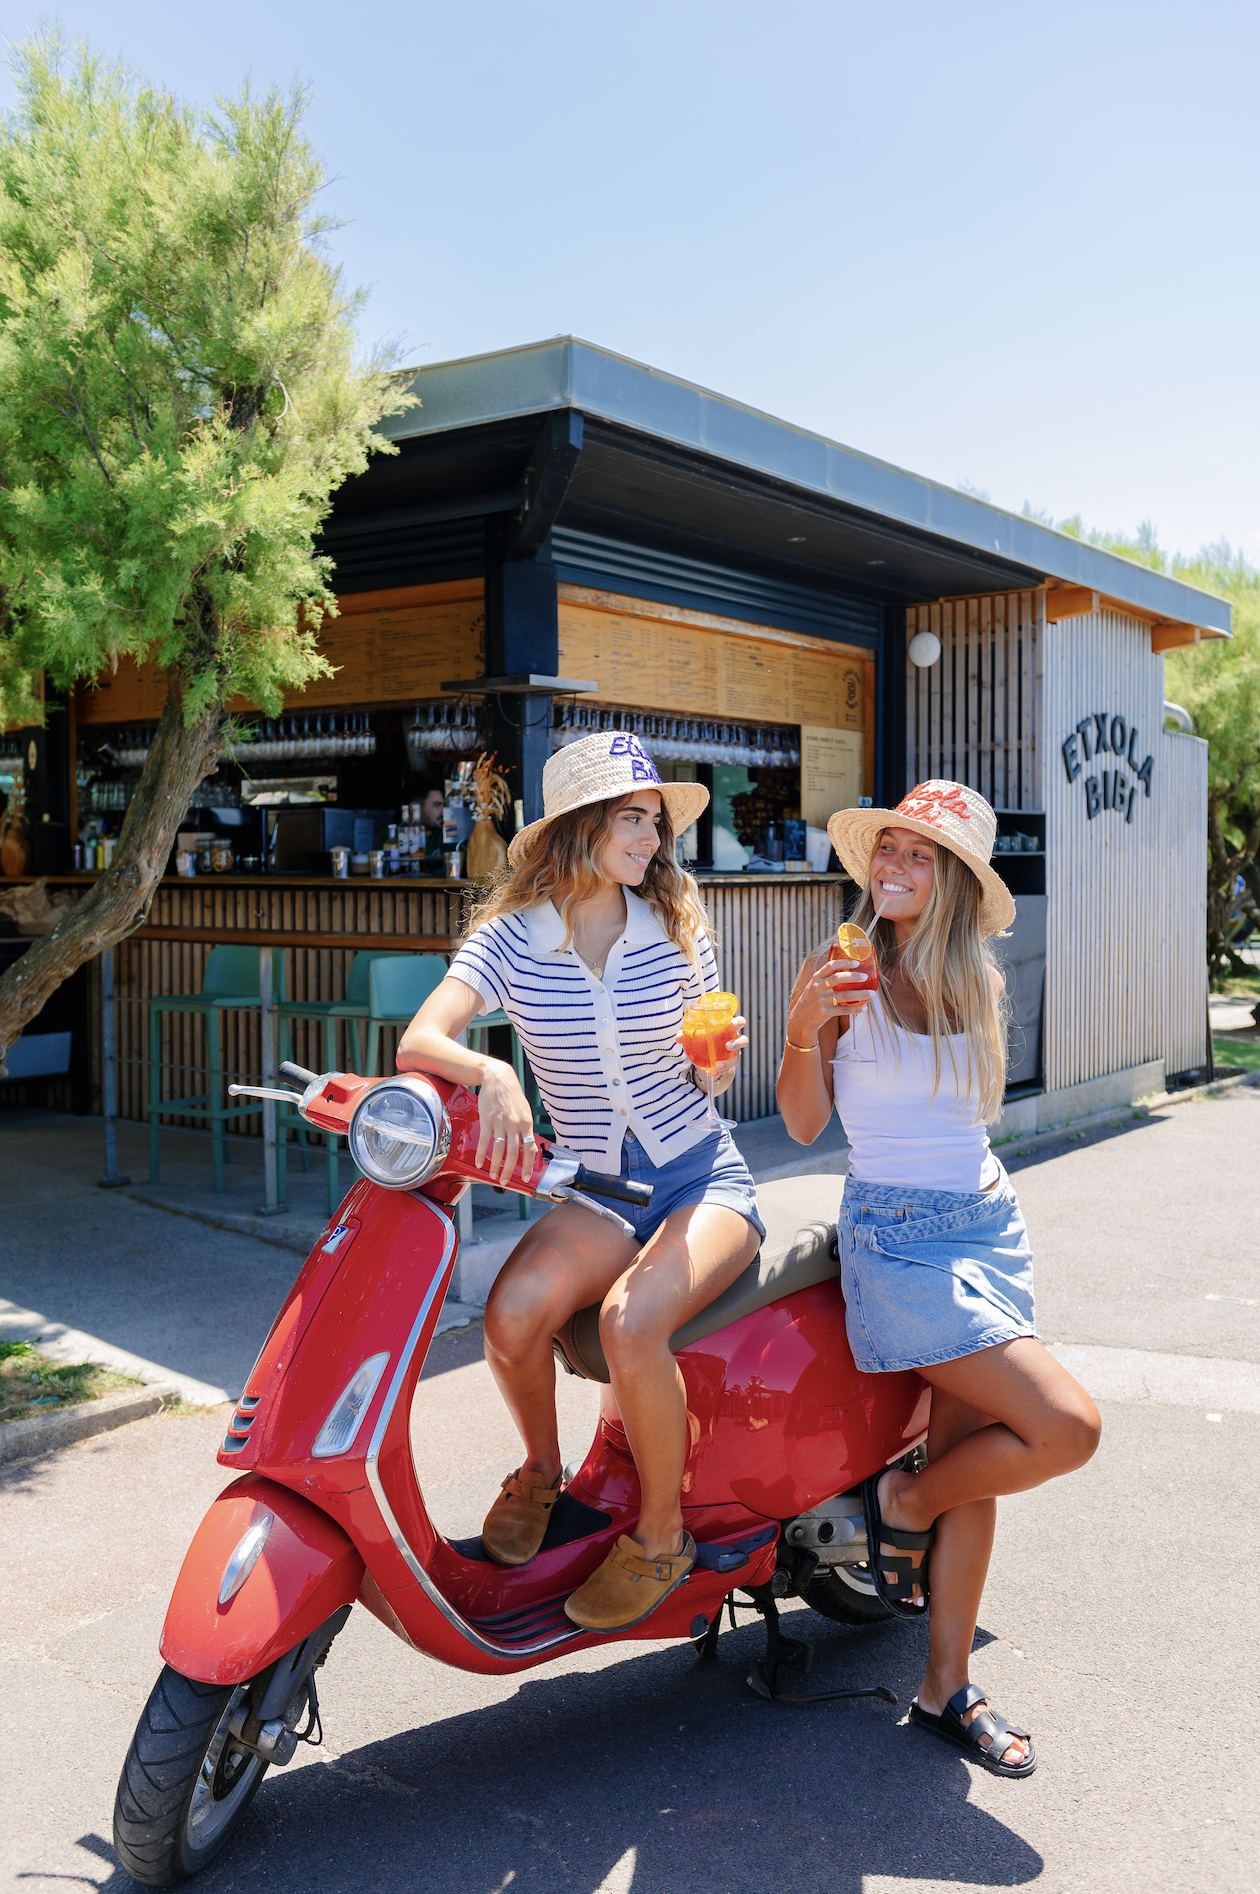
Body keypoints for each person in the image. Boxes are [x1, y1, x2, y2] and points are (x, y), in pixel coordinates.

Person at [397, 731, 764, 1632]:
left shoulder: (679, 926)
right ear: (578, 827)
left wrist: (714, 1063)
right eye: (630, 819)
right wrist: (494, 1074)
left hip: (699, 1173)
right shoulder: (510, 940)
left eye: (653, 821)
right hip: (600, 1187)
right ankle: (540, 1470)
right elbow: (420, 1039)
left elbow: (706, 1061)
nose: (650, 838)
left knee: (629, 1324)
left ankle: (664, 1537)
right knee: (511, 1312)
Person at [776, 780, 1101, 1778]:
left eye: (922, 856)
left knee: (979, 1465)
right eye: (890, 850)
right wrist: (803, 1020)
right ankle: (904, 1505)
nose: (897, 867)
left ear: (955, 879)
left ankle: (943, 1687)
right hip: (899, 1238)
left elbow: (970, 1127)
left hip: (987, 1225)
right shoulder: (841, 970)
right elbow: (797, 1124)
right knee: (1065, 1427)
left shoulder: (976, 980)